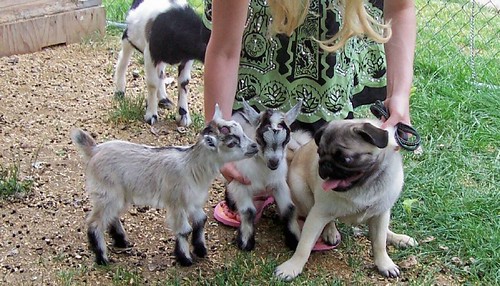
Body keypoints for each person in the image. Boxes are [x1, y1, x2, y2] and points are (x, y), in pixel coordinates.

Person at [202, 0, 416, 225]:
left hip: (328, 56)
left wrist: (399, 95)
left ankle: (300, 182)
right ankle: (261, 178)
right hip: (257, 43)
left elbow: (400, 8)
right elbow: (224, 51)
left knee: (314, 183)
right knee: (251, 175)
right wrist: (219, 135)